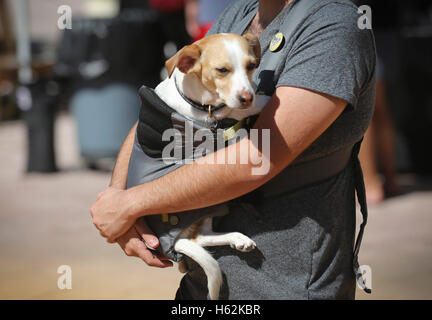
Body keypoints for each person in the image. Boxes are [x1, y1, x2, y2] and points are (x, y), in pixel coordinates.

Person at [91, 0, 376, 299]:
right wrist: (120, 197)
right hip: (204, 282)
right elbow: (163, 112)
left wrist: (131, 204)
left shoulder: (333, 23)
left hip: (284, 284)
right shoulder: (239, 13)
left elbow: (258, 157)